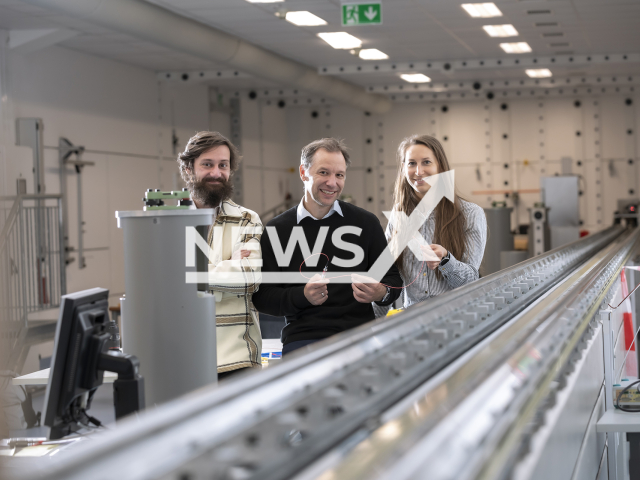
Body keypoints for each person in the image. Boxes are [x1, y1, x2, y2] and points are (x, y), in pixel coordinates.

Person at [252, 138, 402, 356]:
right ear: (304, 173)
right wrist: (302, 296)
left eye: (339, 175)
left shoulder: (365, 223)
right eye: (324, 173)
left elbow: (394, 281)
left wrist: (380, 292)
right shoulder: (278, 229)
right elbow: (262, 297)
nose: (332, 183)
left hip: (360, 336)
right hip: (303, 338)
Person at [178, 131, 263, 379]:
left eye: (223, 165)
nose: (216, 173)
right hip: (182, 355)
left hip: (237, 357)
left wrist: (190, 275)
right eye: (207, 164)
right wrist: (228, 266)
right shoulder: (166, 219)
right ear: (188, 168)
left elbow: (249, 279)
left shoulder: (247, 219)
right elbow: (161, 282)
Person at [379, 134, 487, 314]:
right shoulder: (399, 216)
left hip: (458, 319)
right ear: (403, 168)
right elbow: (387, 279)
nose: (418, 171)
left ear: (440, 167)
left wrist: (446, 260)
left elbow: (470, 281)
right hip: (412, 323)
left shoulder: (470, 214)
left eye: (426, 162)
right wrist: (369, 326)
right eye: (411, 163)